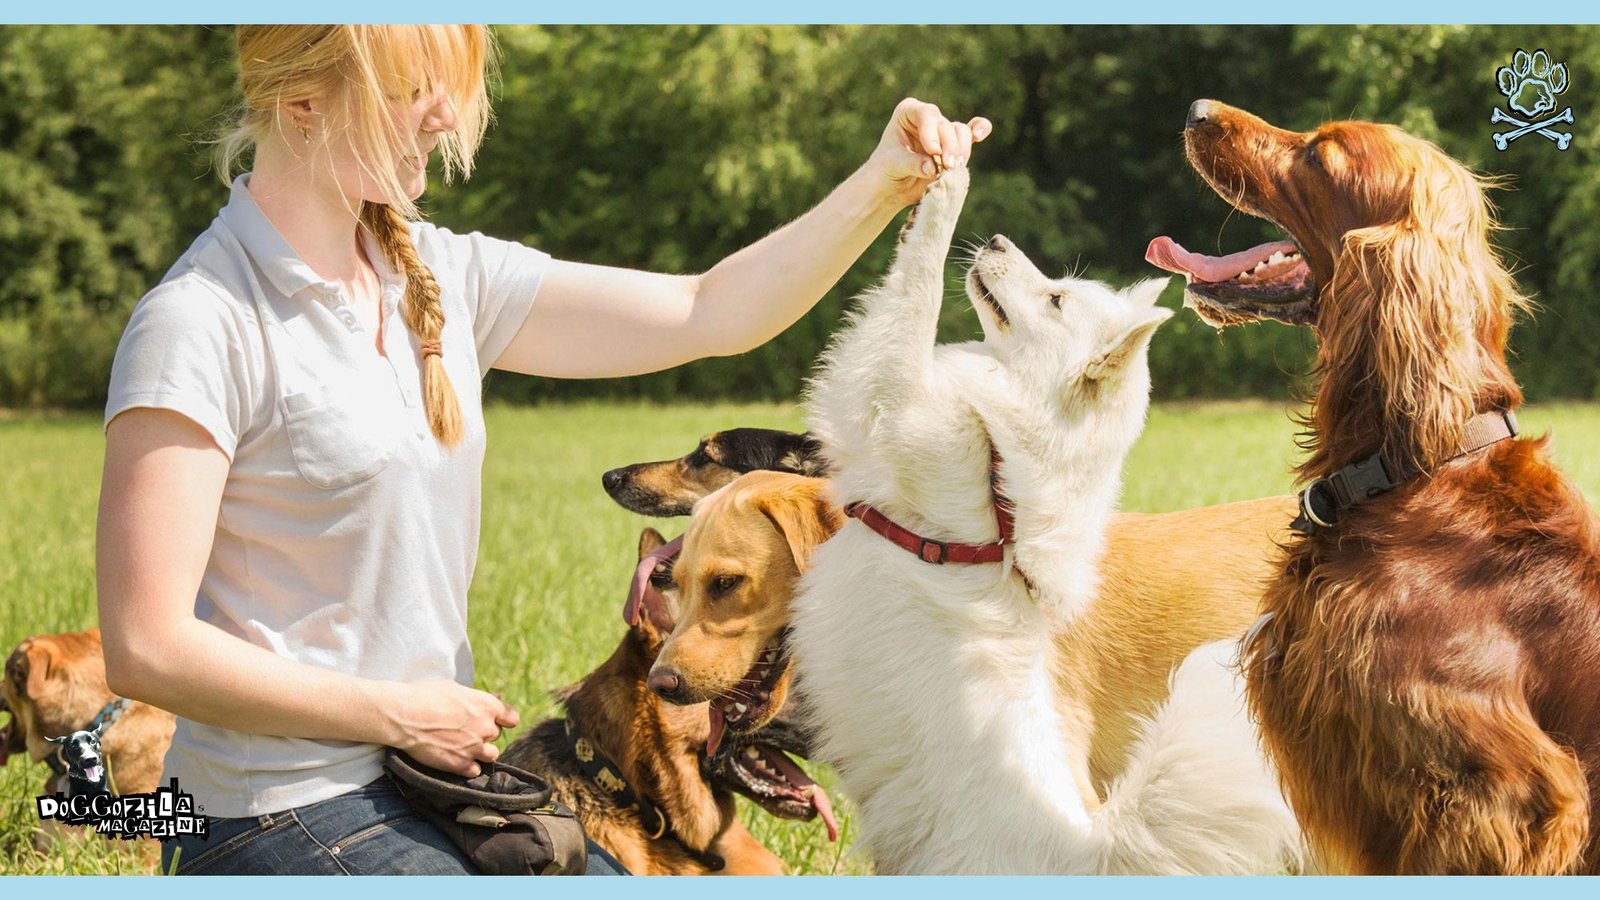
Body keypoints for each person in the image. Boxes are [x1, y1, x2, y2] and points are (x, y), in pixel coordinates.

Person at [95, 24, 987, 876]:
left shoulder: (441, 276)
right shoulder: (199, 324)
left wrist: (885, 179)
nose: (445, 117)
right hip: (273, 815)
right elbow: (147, 646)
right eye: (414, 92)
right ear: (301, 105)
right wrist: (394, 712)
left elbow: (710, 309)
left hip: (432, 784)